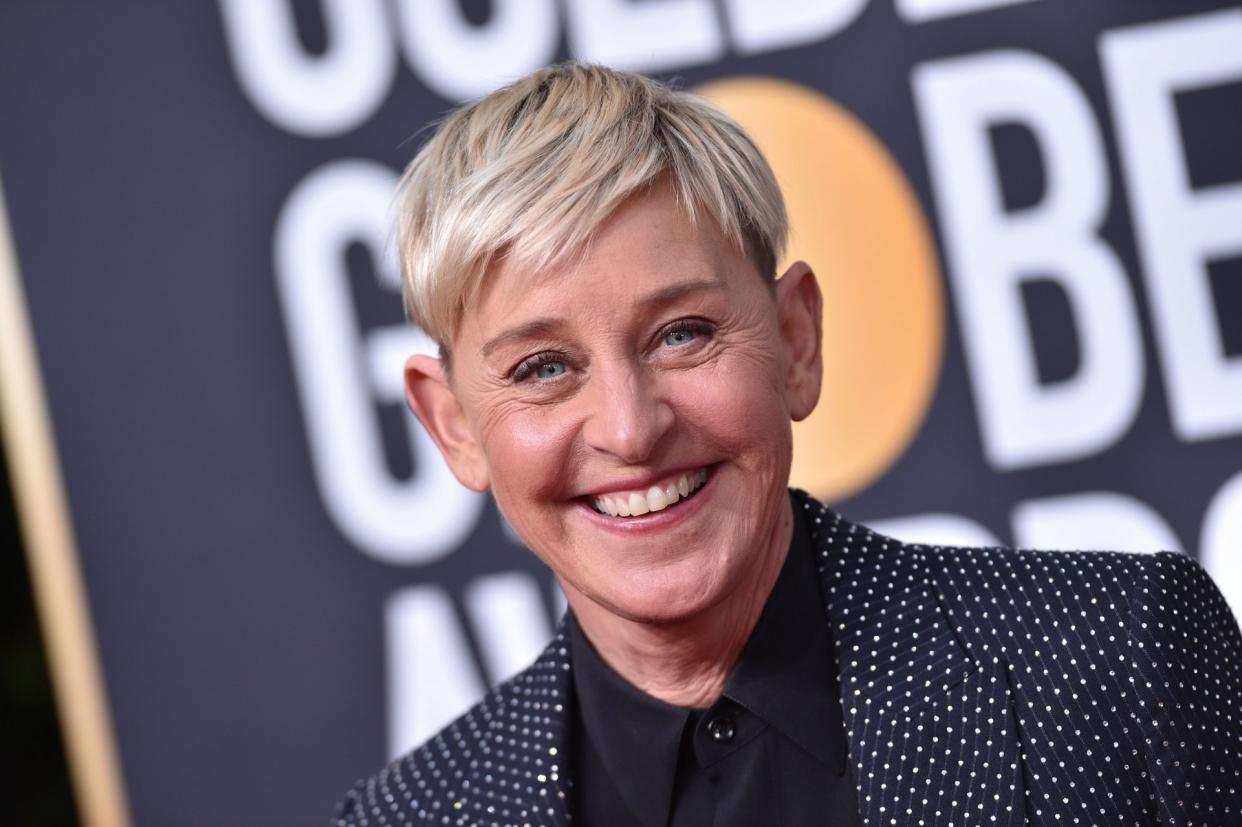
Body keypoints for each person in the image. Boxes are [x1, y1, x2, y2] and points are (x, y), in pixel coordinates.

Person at [334, 63, 1242, 827]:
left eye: (681, 333)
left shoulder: (1114, 659)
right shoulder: (410, 814)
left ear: (796, 340)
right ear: (453, 425)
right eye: (541, 368)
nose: (630, 427)